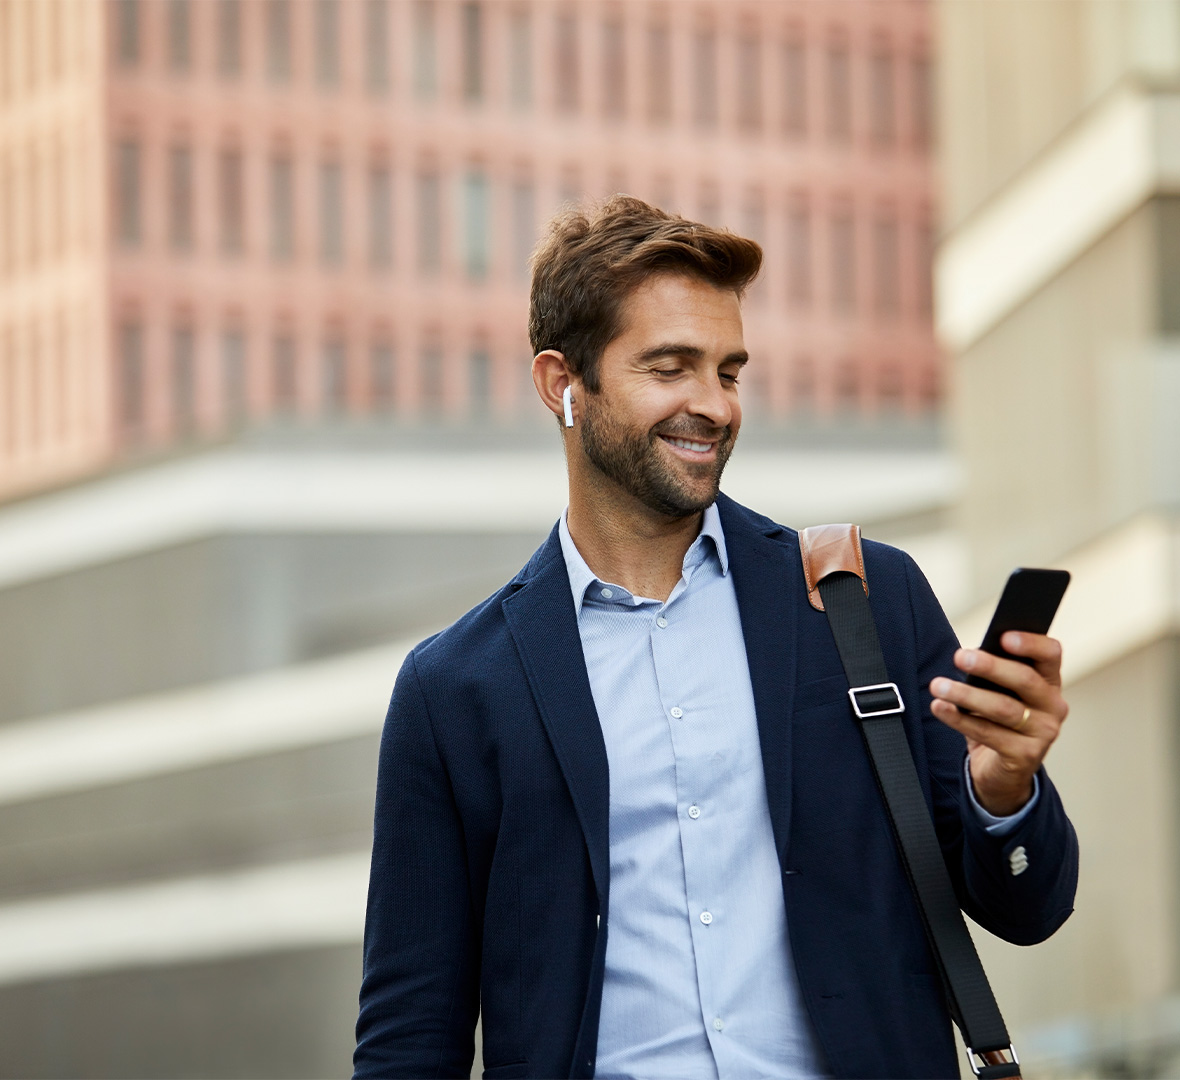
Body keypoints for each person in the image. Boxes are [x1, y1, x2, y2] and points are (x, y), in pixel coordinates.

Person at [353, 197, 1078, 1080]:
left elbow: (1027, 907)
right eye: (671, 367)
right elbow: (407, 1035)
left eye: (729, 372)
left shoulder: (861, 604)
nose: (714, 405)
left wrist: (1004, 787)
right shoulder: (455, 690)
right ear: (561, 383)